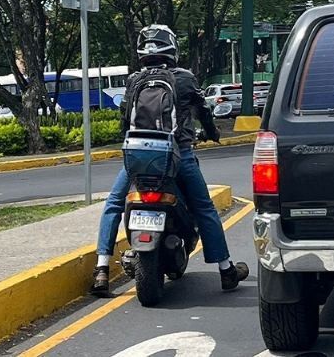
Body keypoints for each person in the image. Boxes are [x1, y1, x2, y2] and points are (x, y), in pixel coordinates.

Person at [91, 25, 249, 296]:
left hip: (139, 154)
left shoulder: (134, 80)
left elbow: (123, 119)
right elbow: (204, 111)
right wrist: (211, 133)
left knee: (114, 204)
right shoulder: (185, 78)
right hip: (180, 154)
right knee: (204, 208)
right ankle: (226, 270)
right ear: (172, 48)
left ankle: (102, 269)